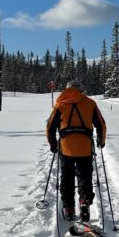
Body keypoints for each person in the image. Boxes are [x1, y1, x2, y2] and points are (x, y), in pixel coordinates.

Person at [46, 80, 106, 222]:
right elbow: (101, 125)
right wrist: (101, 141)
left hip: (66, 148)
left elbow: (50, 128)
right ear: (80, 90)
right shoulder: (90, 103)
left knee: (66, 178)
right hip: (85, 147)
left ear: (67, 90)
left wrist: (53, 144)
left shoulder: (60, 104)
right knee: (85, 176)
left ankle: (69, 209)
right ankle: (84, 202)